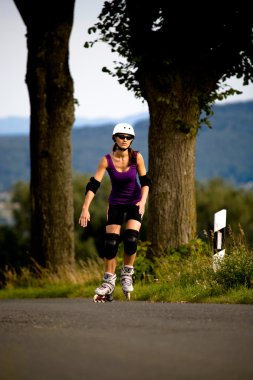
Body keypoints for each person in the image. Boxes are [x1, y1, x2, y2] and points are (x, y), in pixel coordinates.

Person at [78, 123, 151, 302]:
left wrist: (142, 202)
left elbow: (146, 181)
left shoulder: (137, 157)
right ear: (115, 138)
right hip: (116, 203)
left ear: (131, 140)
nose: (125, 140)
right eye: (121, 137)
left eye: (128, 138)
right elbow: (94, 184)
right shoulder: (106, 160)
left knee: (131, 238)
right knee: (111, 243)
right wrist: (85, 208)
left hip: (135, 202)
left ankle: (127, 274)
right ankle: (108, 282)